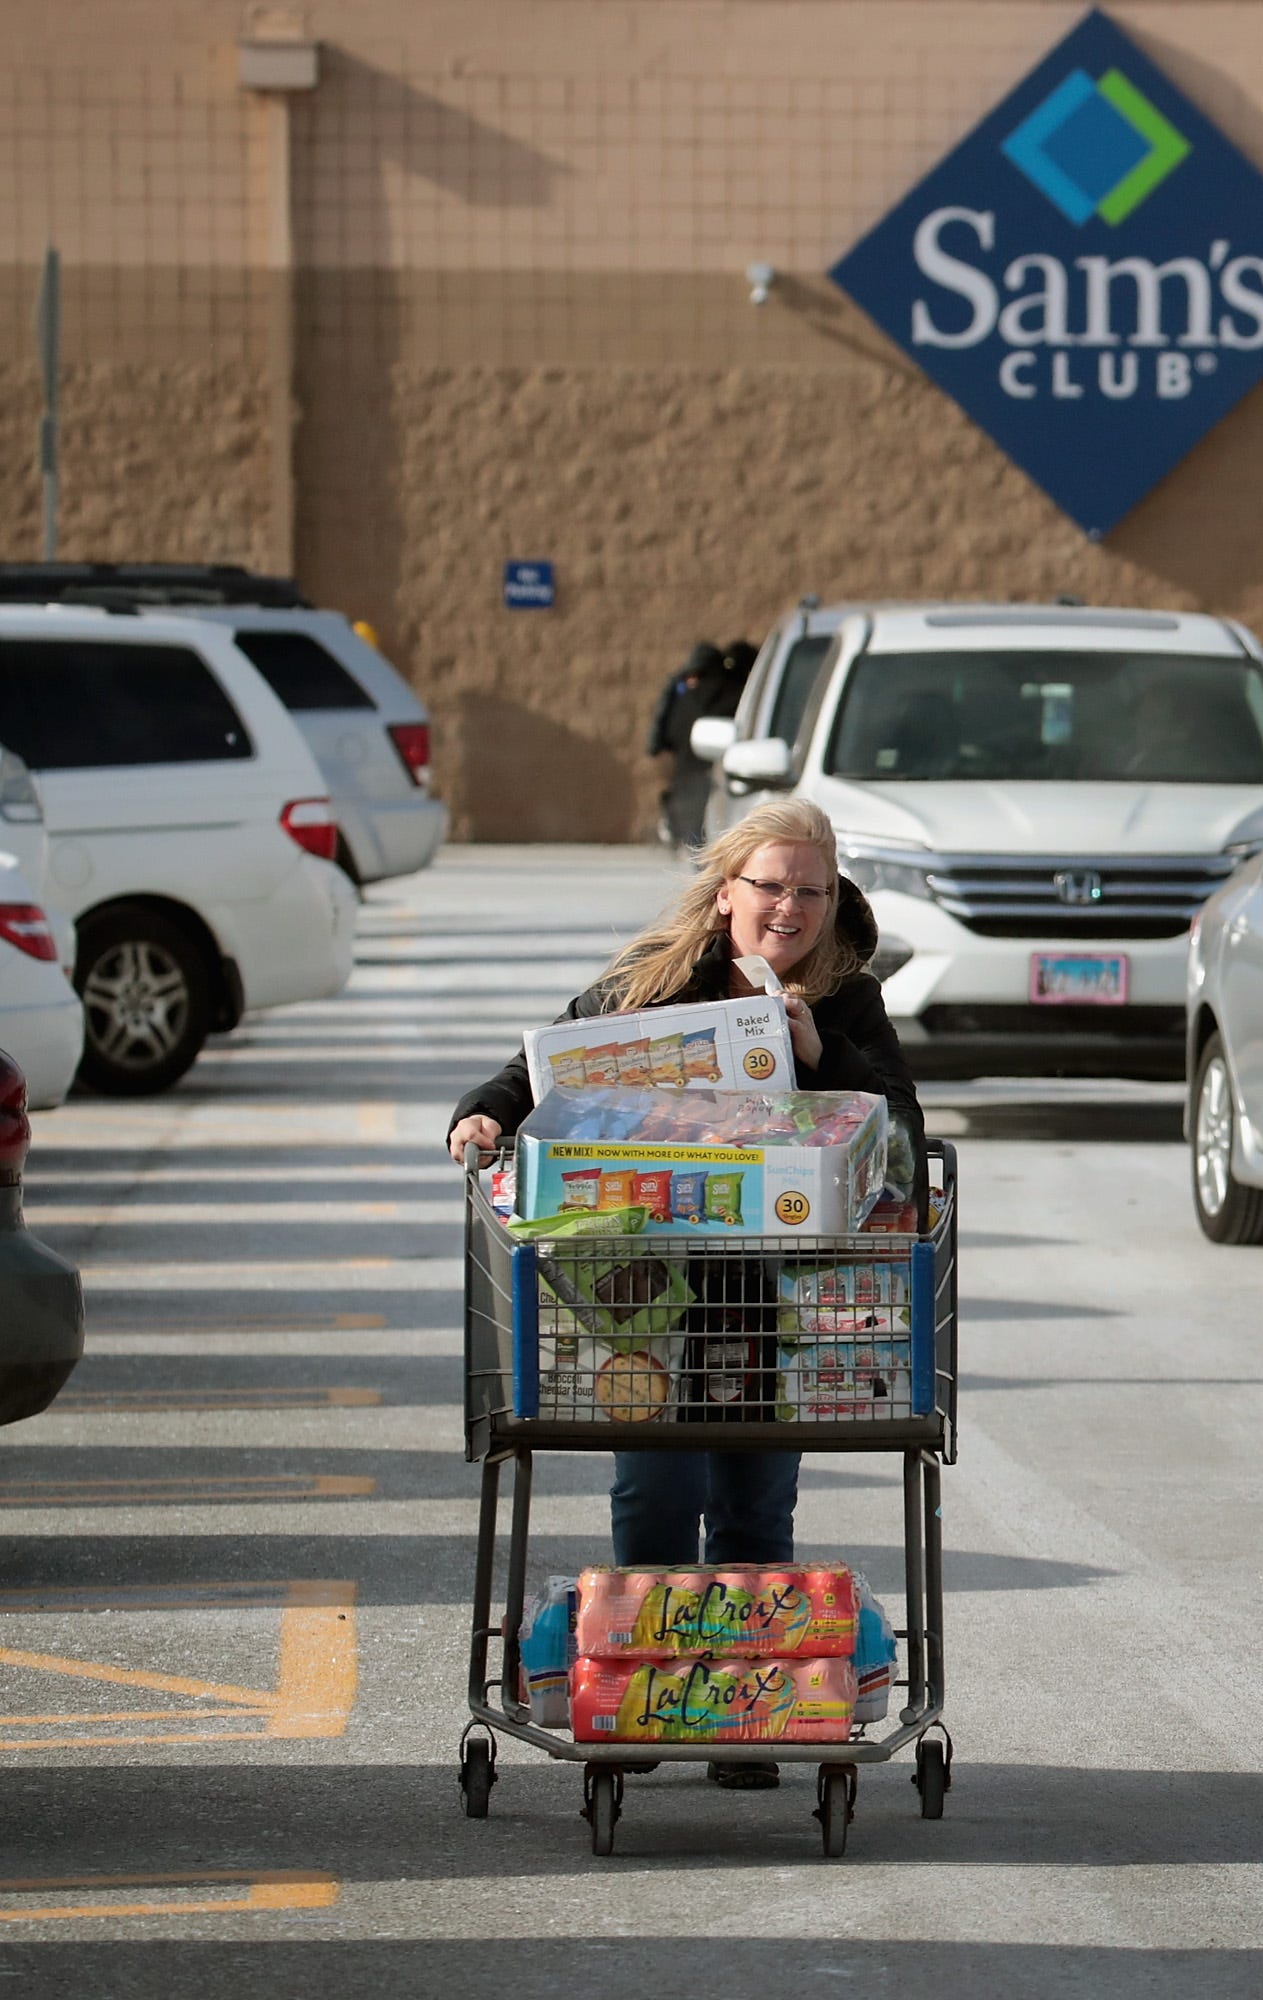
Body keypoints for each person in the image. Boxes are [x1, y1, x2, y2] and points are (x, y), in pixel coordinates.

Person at [445, 798, 921, 1790]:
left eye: (811, 890)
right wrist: (482, 1115)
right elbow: (541, 1070)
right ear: (724, 895)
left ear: (834, 902)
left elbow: (903, 1128)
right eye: (770, 885)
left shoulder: (847, 1000)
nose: (788, 907)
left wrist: (821, 1055)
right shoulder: (651, 986)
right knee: (656, 1486)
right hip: (643, 1293)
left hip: (774, 1298)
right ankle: (641, 1695)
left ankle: (750, 1711)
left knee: (755, 1492)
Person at [648, 641, 729, 849]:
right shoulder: (733, 695)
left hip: (694, 791)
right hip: (717, 791)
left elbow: (659, 742)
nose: (691, 683)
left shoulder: (684, 701)